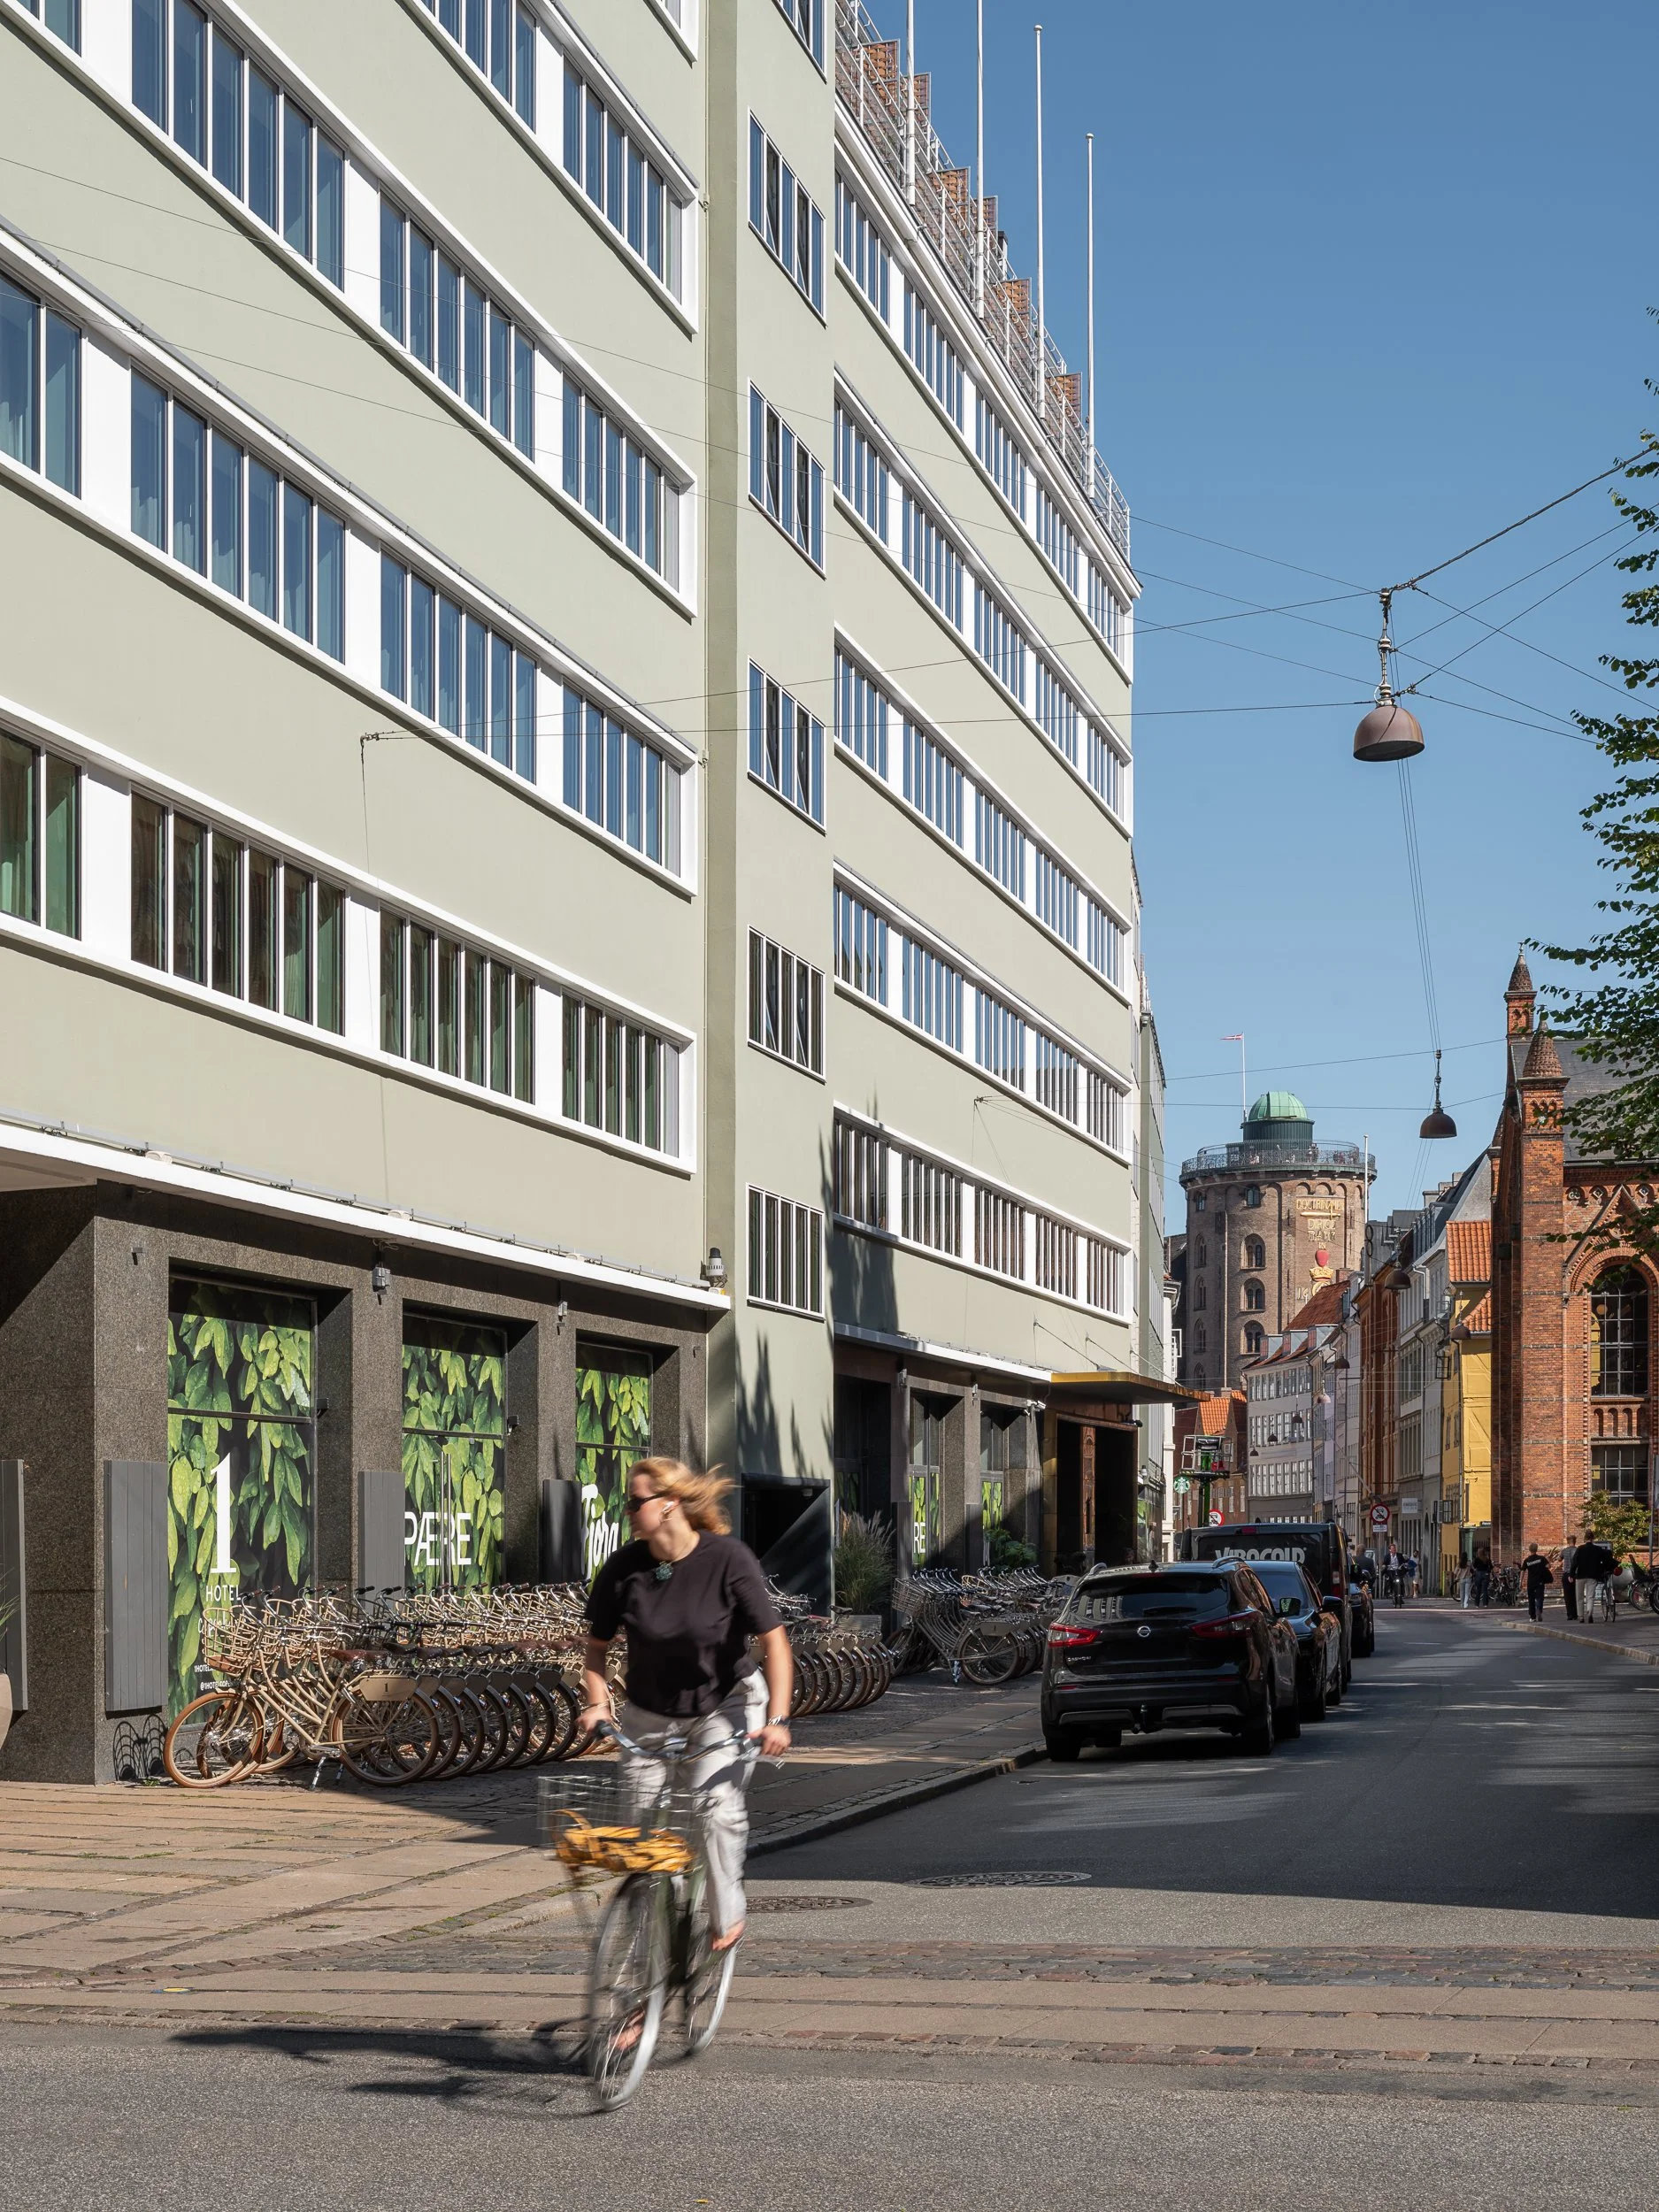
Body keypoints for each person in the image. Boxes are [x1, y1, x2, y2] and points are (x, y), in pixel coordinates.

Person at [580, 1460, 794, 1954]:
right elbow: (595, 1648)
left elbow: (775, 1642)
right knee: (644, 1847)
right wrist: (598, 1703)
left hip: (725, 1706)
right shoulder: (624, 1566)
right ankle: (645, 1989)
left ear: (669, 1503)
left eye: (637, 1502)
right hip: (650, 1713)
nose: (629, 1511)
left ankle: (726, 1914)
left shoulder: (727, 1559)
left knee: (715, 1807)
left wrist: (779, 1719)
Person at [1573, 1533, 1614, 1624]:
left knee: (1579, 1596)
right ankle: (1589, 1613)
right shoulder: (1597, 1549)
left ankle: (1580, 1616)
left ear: (1585, 1539)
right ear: (1593, 1539)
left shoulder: (1580, 1549)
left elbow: (1574, 1562)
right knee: (1590, 1596)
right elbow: (1608, 1554)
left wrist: (1571, 1574)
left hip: (1580, 1575)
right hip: (1593, 1575)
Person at [1521, 1542, 1553, 1622]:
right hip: (1540, 1581)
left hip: (1531, 1582)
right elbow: (1548, 1566)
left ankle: (1532, 1617)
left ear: (1529, 1550)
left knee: (1531, 1599)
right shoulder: (1541, 1558)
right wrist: (1548, 1561)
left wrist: (1520, 1582)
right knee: (1540, 1598)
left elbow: (1523, 1571)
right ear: (1537, 1549)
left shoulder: (1527, 1560)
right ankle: (1539, 1609)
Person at [1471, 1540, 1494, 1608]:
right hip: (1486, 1574)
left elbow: (1474, 1566)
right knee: (1485, 1590)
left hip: (1478, 1574)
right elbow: (1491, 1567)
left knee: (1478, 1590)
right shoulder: (1487, 1559)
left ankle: (1477, 1604)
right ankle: (1485, 1604)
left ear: (1478, 1552)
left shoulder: (1477, 1559)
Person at [1559, 1543, 1578, 1621]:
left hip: (1566, 1575)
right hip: (1575, 1575)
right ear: (1575, 1541)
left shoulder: (1564, 1551)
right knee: (1575, 1595)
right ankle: (1575, 1614)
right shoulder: (1577, 1550)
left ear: (1568, 1542)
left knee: (1567, 1596)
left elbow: (1559, 1559)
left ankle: (1569, 1614)